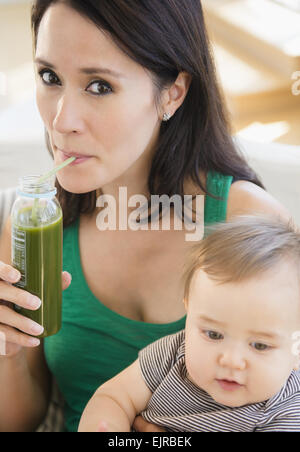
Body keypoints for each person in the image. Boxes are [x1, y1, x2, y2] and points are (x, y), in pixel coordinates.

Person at [0, 0, 291, 432]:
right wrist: (11, 346)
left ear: (172, 93)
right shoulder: (36, 227)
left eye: (99, 86)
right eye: (50, 77)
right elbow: (18, 423)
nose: (62, 121)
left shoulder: (252, 226)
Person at [78, 216, 300, 432]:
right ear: (188, 309)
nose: (231, 361)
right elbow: (114, 397)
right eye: (213, 334)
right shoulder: (173, 354)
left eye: (259, 345)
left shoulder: (287, 410)